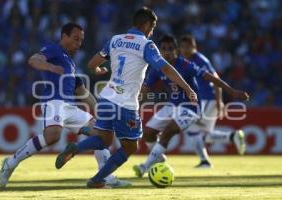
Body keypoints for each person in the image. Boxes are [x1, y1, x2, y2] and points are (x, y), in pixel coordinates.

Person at [54, 7, 197, 188]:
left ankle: (76, 148)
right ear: (146, 25)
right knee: (130, 147)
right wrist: (187, 87)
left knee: (104, 140)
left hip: (106, 98)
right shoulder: (147, 45)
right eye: (152, 27)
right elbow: (166, 68)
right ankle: (98, 179)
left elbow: (92, 64)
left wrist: (99, 70)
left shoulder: (115, 40)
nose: (152, 31)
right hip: (126, 103)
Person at [0, 22, 128, 188]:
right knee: (53, 136)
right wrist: (50, 66)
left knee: (102, 133)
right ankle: (10, 163)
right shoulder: (54, 50)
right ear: (64, 36)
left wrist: (101, 112)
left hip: (70, 108)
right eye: (75, 39)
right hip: (54, 102)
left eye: (81, 41)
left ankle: (105, 177)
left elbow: (82, 92)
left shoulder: (71, 64)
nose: (78, 44)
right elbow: (33, 60)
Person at [133, 35, 249, 177]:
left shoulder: (186, 65)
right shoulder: (157, 67)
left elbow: (211, 77)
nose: (167, 52)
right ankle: (160, 158)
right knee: (148, 133)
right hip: (172, 106)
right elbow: (145, 88)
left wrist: (232, 91)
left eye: (170, 49)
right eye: (163, 49)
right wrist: (134, 104)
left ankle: (145, 166)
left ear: (176, 51)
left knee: (169, 131)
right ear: (159, 51)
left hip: (190, 107)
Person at [179, 34, 246, 168]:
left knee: (191, 128)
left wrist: (219, 101)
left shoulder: (199, 60)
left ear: (194, 47)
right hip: (204, 101)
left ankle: (205, 161)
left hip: (208, 100)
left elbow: (215, 79)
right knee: (205, 135)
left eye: (188, 47)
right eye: (182, 47)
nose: (185, 50)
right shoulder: (187, 61)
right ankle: (232, 137)